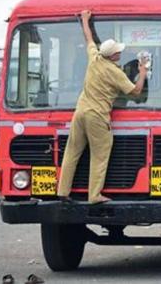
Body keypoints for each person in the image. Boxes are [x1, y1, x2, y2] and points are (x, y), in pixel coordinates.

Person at [57, 10, 147, 204]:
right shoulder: (115, 73)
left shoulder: (94, 58)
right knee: (100, 155)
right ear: (114, 56)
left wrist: (85, 20)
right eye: (119, 51)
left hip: (80, 112)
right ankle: (94, 195)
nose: (121, 52)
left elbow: (88, 37)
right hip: (97, 116)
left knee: (72, 152)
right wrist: (143, 71)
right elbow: (136, 91)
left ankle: (63, 192)